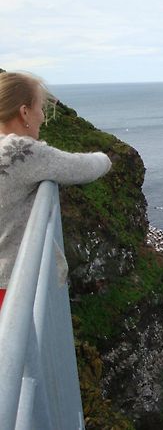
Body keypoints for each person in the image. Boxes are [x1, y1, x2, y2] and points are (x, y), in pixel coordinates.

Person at [0, 71, 112, 309]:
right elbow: (82, 168)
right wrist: (106, 157)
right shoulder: (19, 151)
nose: (42, 116)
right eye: (40, 108)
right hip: (10, 286)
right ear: (24, 112)